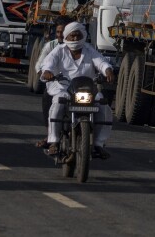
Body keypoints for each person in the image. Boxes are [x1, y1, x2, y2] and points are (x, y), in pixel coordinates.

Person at [37, 22, 115, 158]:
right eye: (72, 36)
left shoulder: (89, 50)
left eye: (77, 35)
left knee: (104, 106)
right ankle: (54, 141)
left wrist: (107, 71)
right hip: (63, 88)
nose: (74, 39)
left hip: (87, 89)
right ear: (66, 36)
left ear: (83, 36)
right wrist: (47, 72)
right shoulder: (59, 51)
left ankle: (98, 143)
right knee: (58, 103)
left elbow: (101, 62)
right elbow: (48, 63)